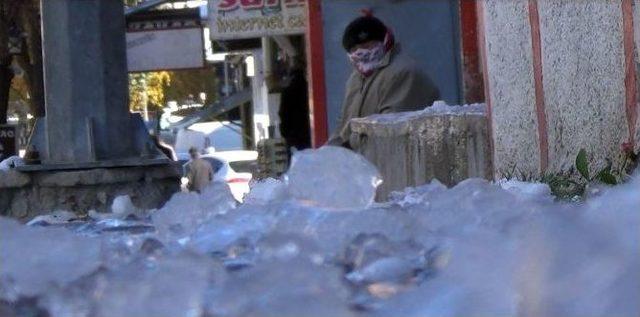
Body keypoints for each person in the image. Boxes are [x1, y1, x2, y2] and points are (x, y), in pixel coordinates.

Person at [327, 15, 441, 149]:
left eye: (368, 46)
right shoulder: (356, 79)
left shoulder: (402, 72)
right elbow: (344, 126)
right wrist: (328, 154)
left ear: (385, 41)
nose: (362, 53)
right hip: (367, 162)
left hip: (397, 163)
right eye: (354, 50)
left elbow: (391, 132)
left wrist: (348, 150)